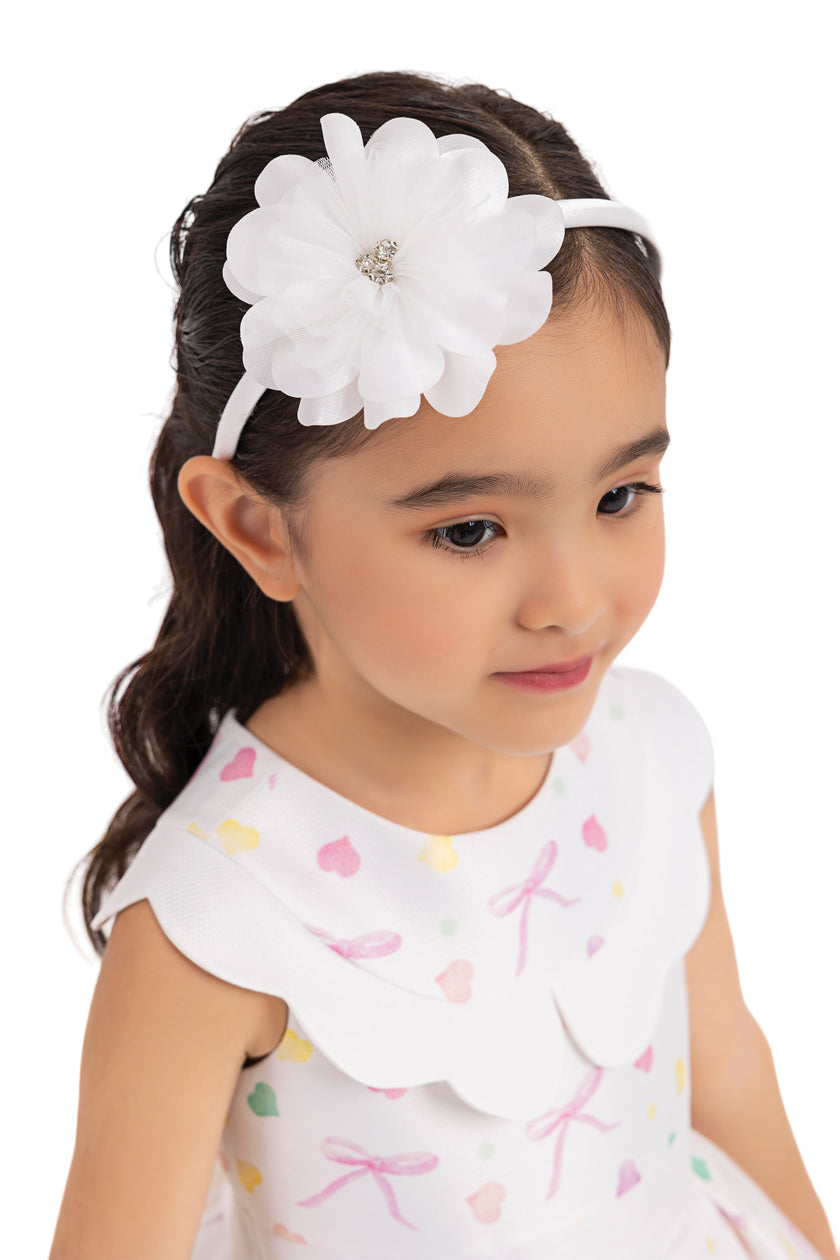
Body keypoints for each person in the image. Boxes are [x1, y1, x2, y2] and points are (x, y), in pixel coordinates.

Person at [50, 70, 837, 1260]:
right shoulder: (216, 926)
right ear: (260, 529)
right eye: (470, 530)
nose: (574, 602)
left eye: (621, 495)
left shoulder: (651, 756)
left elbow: (724, 1069)